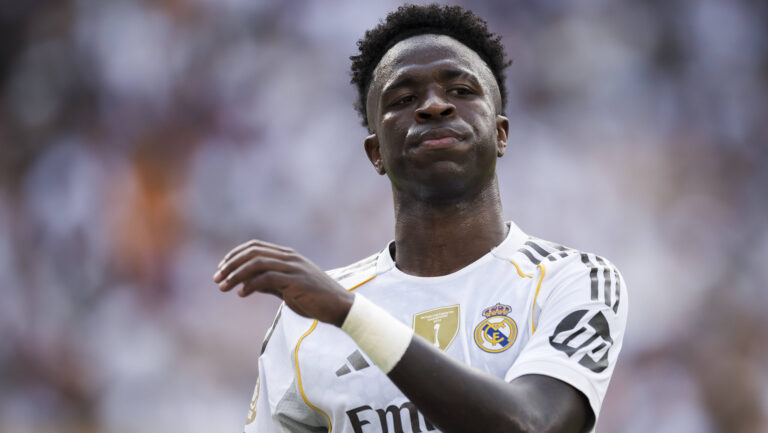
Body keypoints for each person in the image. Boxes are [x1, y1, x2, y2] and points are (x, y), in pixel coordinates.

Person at [213, 4, 628, 433]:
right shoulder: (306, 318)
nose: (434, 106)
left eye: (461, 90)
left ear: (501, 134)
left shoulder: (571, 280)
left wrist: (352, 316)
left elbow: (535, 425)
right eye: (404, 99)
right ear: (376, 153)